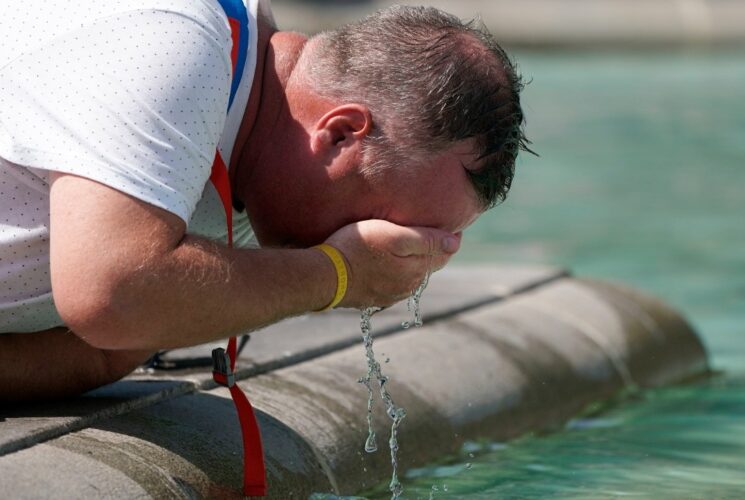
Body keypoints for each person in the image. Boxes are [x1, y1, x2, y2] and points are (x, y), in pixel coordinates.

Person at [0, 1, 528, 400]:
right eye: (384, 224)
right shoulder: (175, 43)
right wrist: (336, 274)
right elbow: (113, 294)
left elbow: (101, 356)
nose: (382, 250)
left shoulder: (255, 168)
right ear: (340, 133)